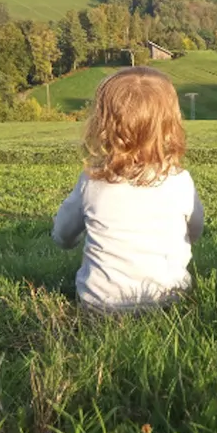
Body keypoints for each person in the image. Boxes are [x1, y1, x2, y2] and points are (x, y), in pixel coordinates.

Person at [52, 67, 204, 311]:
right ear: (169, 124)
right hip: (170, 299)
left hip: (100, 304)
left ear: (102, 123)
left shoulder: (92, 182)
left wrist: (72, 239)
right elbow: (195, 230)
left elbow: (62, 235)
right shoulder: (180, 180)